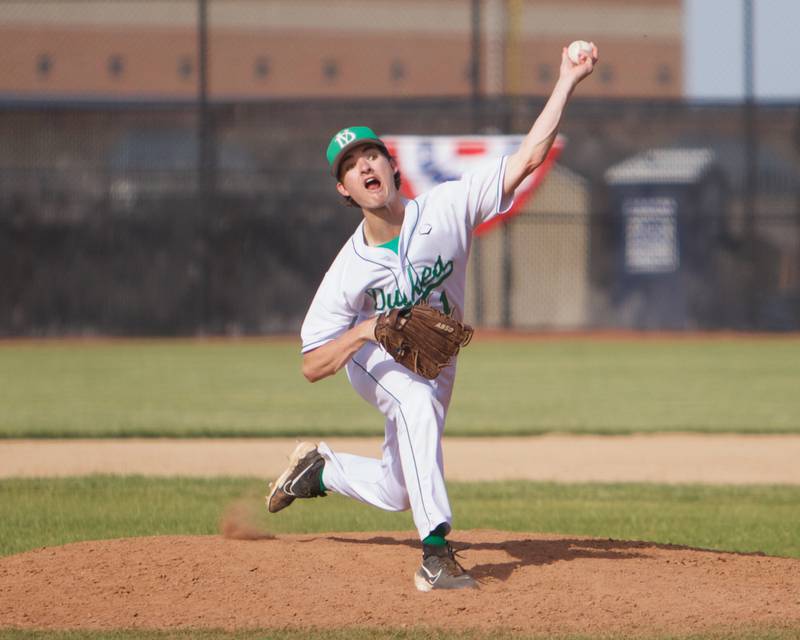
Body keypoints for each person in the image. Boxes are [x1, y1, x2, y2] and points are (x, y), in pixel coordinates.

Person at [267, 43, 598, 591]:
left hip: (436, 357)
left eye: (369, 155)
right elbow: (310, 363)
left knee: (400, 487)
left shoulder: (445, 208)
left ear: (390, 166)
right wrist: (366, 330)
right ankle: (436, 555)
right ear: (343, 190)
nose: (362, 165)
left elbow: (527, 160)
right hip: (375, 357)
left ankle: (320, 471)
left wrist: (566, 80)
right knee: (413, 401)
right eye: (350, 165)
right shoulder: (350, 268)